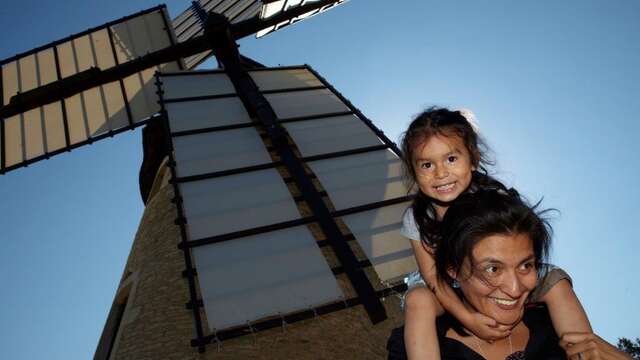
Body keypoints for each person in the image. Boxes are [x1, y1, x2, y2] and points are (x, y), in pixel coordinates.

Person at [399, 107, 592, 359]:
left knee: (556, 281)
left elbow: (521, 244)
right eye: (427, 164)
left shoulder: (495, 198)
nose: (440, 173)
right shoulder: (417, 218)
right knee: (418, 301)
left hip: (502, 270)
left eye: (451, 159)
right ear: (414, 172)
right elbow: (433, 277)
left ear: (473, 158)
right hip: (447, 285)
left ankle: (586, 352)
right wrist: (467, 318)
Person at [388, 189, 630, 359]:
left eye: (526, 265)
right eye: (492, 269)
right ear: (453, 270)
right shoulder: (414, 345)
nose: (515, 289)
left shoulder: (556, 328)